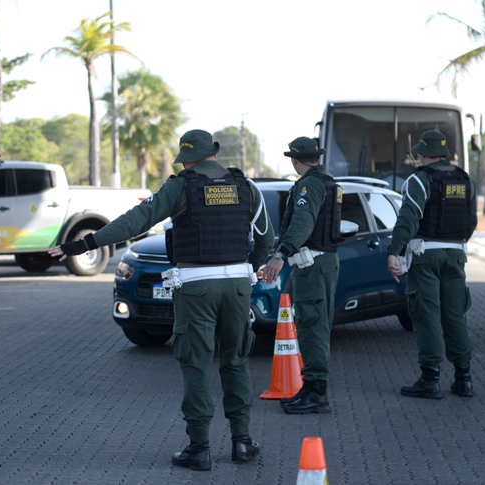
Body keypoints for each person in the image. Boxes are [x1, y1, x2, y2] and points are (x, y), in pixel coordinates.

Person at [49, 130, 273, 471]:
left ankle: (199, 449)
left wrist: (83, 244)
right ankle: (241, 442)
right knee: (236, 360)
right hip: (238, 287)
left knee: (196, 363)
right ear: (213, 153)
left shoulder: (180, 186)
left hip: (196, 288)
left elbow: (135, 221)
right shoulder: (246, 186)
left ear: (187, 158)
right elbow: (264, 238)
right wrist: (248, 270)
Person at [387, 130, 477, 399]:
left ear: (422, 154)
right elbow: (470, 222)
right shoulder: (466, 180)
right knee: (455, 315)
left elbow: (408, 219)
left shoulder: (419, 180)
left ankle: (430, 379)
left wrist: (394, 252)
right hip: (456, 256)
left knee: (426, 314)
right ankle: (464, 379)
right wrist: (454, 244)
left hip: (425, 258)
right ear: (445, 153)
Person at [261, 136, 342, 414]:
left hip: (313, 265)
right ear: (316, 157)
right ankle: (311, 388)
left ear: (294, 160)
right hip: (320, 263)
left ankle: (317, 394)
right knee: (313, 324)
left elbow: (303, 222)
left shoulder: (309, 184)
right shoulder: (328, 182)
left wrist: (280, 254)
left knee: (312, 326)